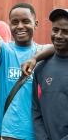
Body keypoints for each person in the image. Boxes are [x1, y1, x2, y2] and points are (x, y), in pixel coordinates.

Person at [0, 2, 48, 140]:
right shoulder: (5, 51)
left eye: (26, 21)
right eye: (15, 22)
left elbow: (59, 47)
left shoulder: (44, 53)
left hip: (39, 132)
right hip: (10, 132)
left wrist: (35, 58)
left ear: (36, 24)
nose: (20, 26)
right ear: (9, 25)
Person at [32, 8, 68, 140]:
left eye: (65, 32)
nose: (58, 35)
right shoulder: (41, 68)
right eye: (55, 30)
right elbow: (37, 110)